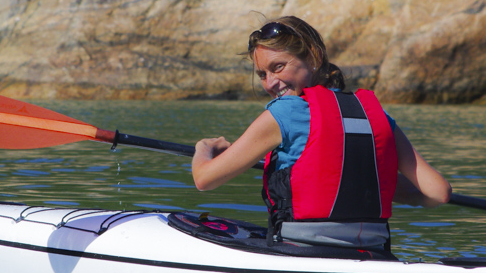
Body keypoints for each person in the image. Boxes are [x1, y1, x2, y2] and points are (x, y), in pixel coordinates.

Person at [192, 16, 450, 257]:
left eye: (278, 67)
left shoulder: (284, 112)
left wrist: (204, 148)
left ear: (313, 56)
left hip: (301, 253)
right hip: (374, 254)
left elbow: (204, 179)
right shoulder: (373, 114)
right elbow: (438, 192)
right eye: (262, 74)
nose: (270, 83)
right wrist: (361, 184)